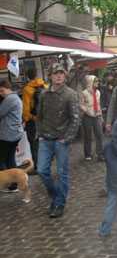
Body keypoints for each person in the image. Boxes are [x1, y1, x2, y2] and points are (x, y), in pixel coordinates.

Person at [37, 63, 80, 218]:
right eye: (56, 73)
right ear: (50, 76)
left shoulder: (70, 94)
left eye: (61, 73)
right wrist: (39, 134)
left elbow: (75, 119)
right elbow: (40, 115)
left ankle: (60, 204)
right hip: (46, 138)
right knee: (42, 170)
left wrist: (66, 138)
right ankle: (56, 197)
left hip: (61, 139)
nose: (59, 76)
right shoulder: (44, 94)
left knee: (62, 173)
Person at [22, 67, 48, 174]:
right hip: (45, 119)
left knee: (34, 143)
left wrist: (27, 119)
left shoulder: (27, 89)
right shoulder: (45, 86)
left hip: (33, 120)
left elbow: (26, 107)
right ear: (37, 75)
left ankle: (37, 166)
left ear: (28, 76)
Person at [0, 80, 24, 192]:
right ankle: (14, 185)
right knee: (10, 159)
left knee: (2, 160)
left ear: (8, 88)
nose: (1, 93)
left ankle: (5, 184)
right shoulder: (16, 98)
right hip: (15, 133)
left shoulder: (9, 99)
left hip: (7, 134)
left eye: (2, 91)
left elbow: (0, 113)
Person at [79, 75, 104, 161]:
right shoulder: (84, 93)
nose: (97, 83)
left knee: (99, 134)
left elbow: (99, 104)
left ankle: (99, 153)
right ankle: (88, 154)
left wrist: (100, 115)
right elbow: (81, 104)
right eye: (95, 81)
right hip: (88, 116)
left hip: (96, 115)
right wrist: (87, 110)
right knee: (88, 136)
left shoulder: (98, 93)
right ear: (91, 83)